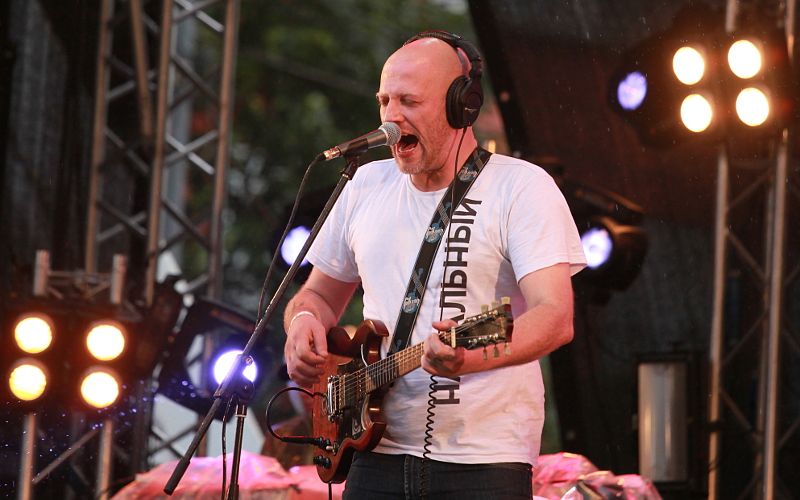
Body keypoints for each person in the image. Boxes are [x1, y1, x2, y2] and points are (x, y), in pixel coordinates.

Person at [283, 31, 586, 499]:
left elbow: (554, 317)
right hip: (371, 454)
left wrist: (468, 356)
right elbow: (319, 294)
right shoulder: (363, 184)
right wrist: (303, 321)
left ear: (460, 105)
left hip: (484, 461)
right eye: (384, 101)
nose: (391, 117)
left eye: (408, 101)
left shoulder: (523, 188)